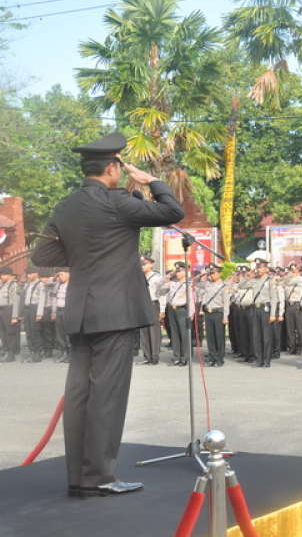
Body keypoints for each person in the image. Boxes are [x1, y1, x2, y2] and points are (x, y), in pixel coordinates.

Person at [31, 131, 184, 497]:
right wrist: (151, 182)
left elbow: (42, 257)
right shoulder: (118, 203)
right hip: (115, 311)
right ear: (113, 167)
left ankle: (79, 476)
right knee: (107, 396)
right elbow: (172, 212)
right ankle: (100, 476)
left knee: (81, 394)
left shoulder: (66, 206)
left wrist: (86, 258)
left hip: (82, 310)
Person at [198, 264, 230, 367]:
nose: (211, 275)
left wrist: (225, 317)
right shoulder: (207, 284)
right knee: (210, 337)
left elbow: (226, 303)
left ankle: (219, 359)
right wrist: (202, 275)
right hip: (208, 313)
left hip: (218, 313)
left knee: (219, 337)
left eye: (213, 273)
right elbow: (195, 283)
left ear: (219, 274)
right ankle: (212, 357)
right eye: (210, 273)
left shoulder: (224, 286)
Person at [139, 256, 164, 366]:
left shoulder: (157, 278)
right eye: (141, 264)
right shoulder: (139, 277)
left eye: (145, 264)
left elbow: (162, 294)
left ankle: (154, 357)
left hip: (153, 305)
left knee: (153, 331)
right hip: (142, 305)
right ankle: (147, 356)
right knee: (144, 332)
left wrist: (162, 310)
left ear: (151, 264)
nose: (142, 266)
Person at [0, 266, 20, 362]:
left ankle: (11, 354)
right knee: (3, 332)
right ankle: (5, 350)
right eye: (1, 275)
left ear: (9, 275)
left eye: (3, 275)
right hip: (1, 310)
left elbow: (16, 301)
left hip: (9, 309)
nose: (2, 276)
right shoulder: (1, 284)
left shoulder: (13, 285)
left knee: (10, 332)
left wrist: (15, 316)